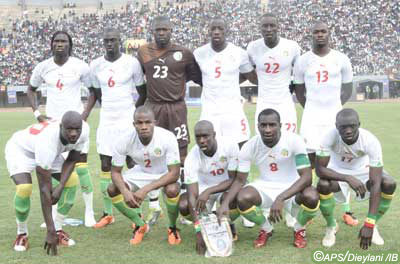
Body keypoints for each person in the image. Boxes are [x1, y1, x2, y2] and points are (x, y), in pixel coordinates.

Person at [217, 109, 320, 249]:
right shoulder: (249, 146)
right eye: (263, 125)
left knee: (312, 196)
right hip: (265, 186)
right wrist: (225, 203)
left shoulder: (294, 140)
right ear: (258, 126)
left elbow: (307, 177)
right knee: (243, 197)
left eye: (272, 125)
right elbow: (240, 181)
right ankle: (266, 229)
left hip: (292, 188)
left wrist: (281, 198)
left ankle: (299, 228)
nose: (267, 129)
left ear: (280, 125)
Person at [26, 31, 96, 227]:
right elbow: (30, 89)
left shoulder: (80, 66)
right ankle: (54, 213)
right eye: (56, 41)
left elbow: (93, 91)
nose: (60, 44)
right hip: (52, 127)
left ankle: (89, 212)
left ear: (70, 45)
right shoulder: (43, 67)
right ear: (51, 44)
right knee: (53, 170)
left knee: (80, 166)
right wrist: (37, 114)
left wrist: (84, 116)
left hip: (76, 126)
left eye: (64, 41)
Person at [137, 16, 202, 216]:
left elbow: (197, 77)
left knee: (181, 152)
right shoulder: (143, 52)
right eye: (158, 30)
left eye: (165, 29)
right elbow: (140, 78)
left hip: (176, 108)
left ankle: (181, 195)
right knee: (152, 151)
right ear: (152, 31)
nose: (161, 33)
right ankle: (154, 202)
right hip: (154, 107)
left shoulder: (184, 53)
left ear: (171, 30)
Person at [293, 21, 355, 225]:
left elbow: (347, 88)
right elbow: (300, 92)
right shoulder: (302, 61)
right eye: (316, 32)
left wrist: (335, 108)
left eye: (323, 31)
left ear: (329, 34)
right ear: (310, 34)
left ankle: (347, 210)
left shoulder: (341, 59)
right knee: (310, 164)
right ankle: (310, 205)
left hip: (334, 119)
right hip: (311, 119)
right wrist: (312, 107)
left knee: (339, 162)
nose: (319, 35)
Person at [5, 111, 89, 255]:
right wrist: (48, 230)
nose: (74, 133)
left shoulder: (84, 130)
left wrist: (60, 187)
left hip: (52, 153)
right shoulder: (47, 140)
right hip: (21, 151)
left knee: (71, 181)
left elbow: (72, 159)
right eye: (69, 129)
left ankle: (58, 229)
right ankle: (22, 234)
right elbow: (44, 188)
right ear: (61, 127)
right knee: (25, 188)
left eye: (77, 129)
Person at [86, 28, 145, 228]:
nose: (110, 43)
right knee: (105, 163)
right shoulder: (95, 65)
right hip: (107, 120)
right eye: (106, 40)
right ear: (103, 43)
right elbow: (96, 92)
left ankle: (137, 210)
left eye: (113, 40)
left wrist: (132, 113)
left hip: (127, 119)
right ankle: (107, 213)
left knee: (131, 161)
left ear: (120, 41)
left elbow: (142, 92)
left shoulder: (132, 63)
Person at [315, 108, 396, 249]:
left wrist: (369, 223)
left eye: (352, 126)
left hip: (363, 171)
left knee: (389, 183)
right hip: (337, 171)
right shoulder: (328, 136)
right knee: (322, 184)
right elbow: (320, 170)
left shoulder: (370, 141)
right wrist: (347, 178)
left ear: (359, 124)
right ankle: (331, 226)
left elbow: (376, 182)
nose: (348, 131)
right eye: (343, 127)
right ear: (336, 126)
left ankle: (374, 224)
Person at [107, 106, 182, 245]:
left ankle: (172, 227)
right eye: (139, 123)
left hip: (165, 173)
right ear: (134, 124)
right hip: (141, 173)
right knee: (112, 189)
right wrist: (125, 191)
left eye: (148, 122)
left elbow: (174, 173)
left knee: (172, 190)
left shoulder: (167, 137)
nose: (144, 126)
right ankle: (140, 224)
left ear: (155, 122)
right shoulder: (123, 140)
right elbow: (115, 172)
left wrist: (145, 189)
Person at [178, 120, 240, 255]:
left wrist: (209, 191)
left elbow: (233, 179)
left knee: (233, 199)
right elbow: (192, 195)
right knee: (184, 205)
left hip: (225, 186)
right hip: (203, 187)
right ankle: (209, 226)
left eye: (205, 136)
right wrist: (198, 231)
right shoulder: (191, 158)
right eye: (198, 137)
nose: (201, 140)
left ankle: (228, 223)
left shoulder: (229, 145)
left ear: (214, 134)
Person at [193, 18, 257, 147]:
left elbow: (252, 77)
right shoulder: (198, 53)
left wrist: (233, 81)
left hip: (232, 108)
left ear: (226, 31)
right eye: (213, 29)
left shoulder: (239, 53)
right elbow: (196, 77)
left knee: (241, 145)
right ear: (208, 32)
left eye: (220, 29)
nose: (216, 32)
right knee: (207, 147)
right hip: (209, 109)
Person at [247, 13, 301, 134]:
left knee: (289, 140)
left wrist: (293, 82)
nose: (269, 29)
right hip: (263, 102)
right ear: (260, 28)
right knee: (263, 141)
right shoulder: (253, 47)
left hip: (285, 102)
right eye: (265, 26)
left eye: (272, 25)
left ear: (278, 27)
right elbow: (248, 72)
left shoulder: (292, 47)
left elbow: (299, 73)